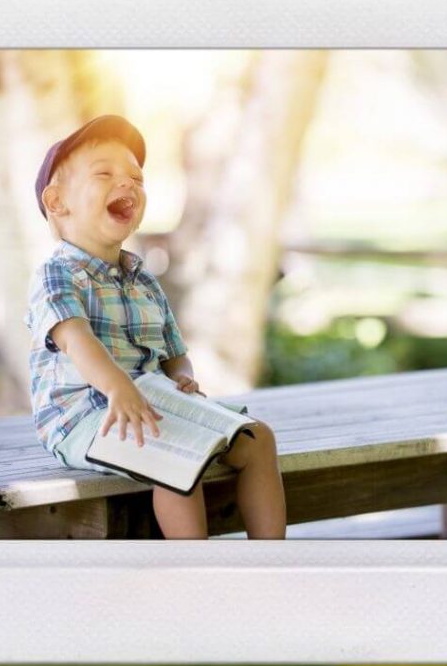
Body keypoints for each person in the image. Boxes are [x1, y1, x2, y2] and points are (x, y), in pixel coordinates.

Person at [25, 114, 286, 539]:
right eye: (105, 173)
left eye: (136, 177)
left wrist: (182, 376)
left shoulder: (142, 277)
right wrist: (118, 387)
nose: (127, 183)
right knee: (177, 456)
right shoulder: (57, 274)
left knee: (258, 440)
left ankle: (271, 563)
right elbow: (76, 339)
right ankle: (193, 577)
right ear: (57, 202)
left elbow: (172, 349)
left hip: (148, 399)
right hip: (84, 416)